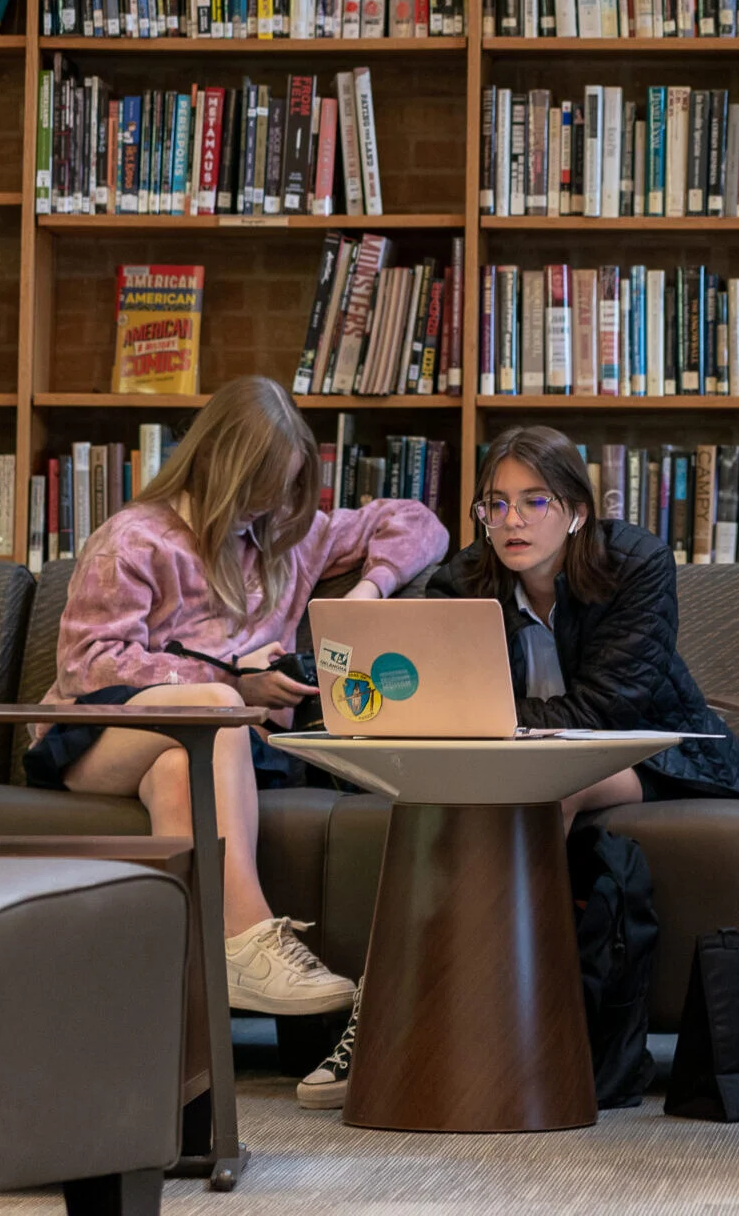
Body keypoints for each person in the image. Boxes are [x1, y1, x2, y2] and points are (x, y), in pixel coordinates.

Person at [298, 422, 739, 1107]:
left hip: (651, 749)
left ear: (576, 510)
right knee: (436, 802)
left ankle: (505, 1026)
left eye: (534, 501)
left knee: (542, 790)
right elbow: (442, 701)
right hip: (507, 752)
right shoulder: (462, 577)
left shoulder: (634, 562)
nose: (511, 520)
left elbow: (607, 708)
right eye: (495, 504)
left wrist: (490, 731)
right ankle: (387, 1015)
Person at [24, 376, 449, 1019]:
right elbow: (90, 666)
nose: (274, 503)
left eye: (287, 486)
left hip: (219, 749)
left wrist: (370, 590)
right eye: (262, 488)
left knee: (181, 771)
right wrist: (227, 677)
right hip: (103, 738)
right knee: (213, 710)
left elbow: (418, 524)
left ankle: (183, 1004)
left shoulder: (285, 536)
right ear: (222, 467)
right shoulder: (136, 539)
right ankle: (253, 940)